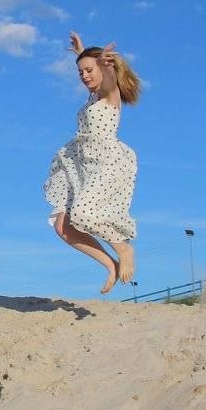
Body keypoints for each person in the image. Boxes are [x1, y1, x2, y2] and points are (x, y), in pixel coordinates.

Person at [44, 31, 140, 294]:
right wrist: (81, 53)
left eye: (89, 71)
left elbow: (107, 79)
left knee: (84, 214)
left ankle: (123, 248)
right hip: (84, 164)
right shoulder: (93, 97)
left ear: (104, 68)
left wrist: (103, 64)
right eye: (81, 73)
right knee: (63, 227)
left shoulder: (110, 93)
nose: (85, 76)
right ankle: (111, 265)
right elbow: (89, 68)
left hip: (107, 162)